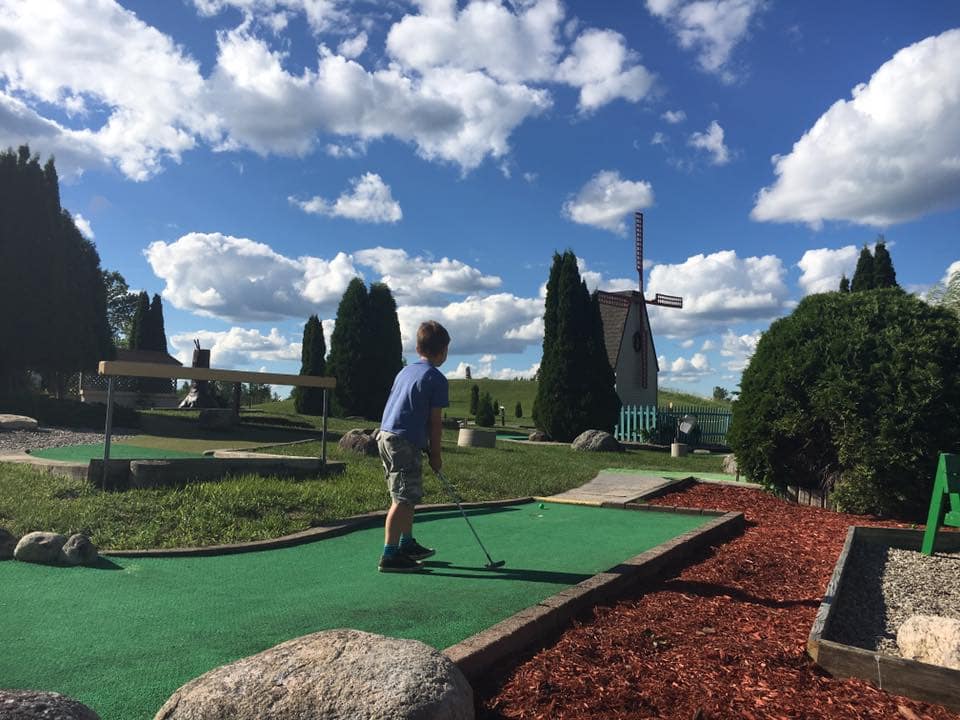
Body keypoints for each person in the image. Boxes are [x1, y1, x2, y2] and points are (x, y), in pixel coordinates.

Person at [376, 320, 450, 573]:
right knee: (403, 498)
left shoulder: (405, 371)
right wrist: (436, 454)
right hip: (403, 441)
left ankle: (406, 544)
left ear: (418, 348)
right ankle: (389, 554)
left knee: (408, 494)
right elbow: (435, 422)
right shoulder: (436, 378)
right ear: (443, 351)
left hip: (386, 436)